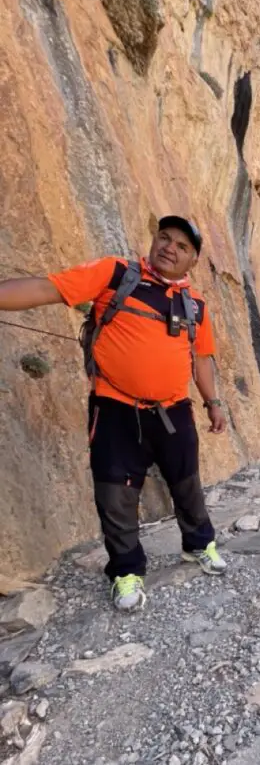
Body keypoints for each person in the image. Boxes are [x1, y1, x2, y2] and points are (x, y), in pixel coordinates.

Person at [0, 216, 228, 612]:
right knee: (115, 495)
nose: (170, 248)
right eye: (165, 238)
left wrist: (213, 402)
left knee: (186, 483)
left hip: (174, 411)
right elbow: (46, 288)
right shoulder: (115, 275)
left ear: (192, 261)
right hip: (115, 408)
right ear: (154, 240)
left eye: (182, 246)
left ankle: (198, 545)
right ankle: (126, 572)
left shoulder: (196, 306)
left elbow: (202, 357)